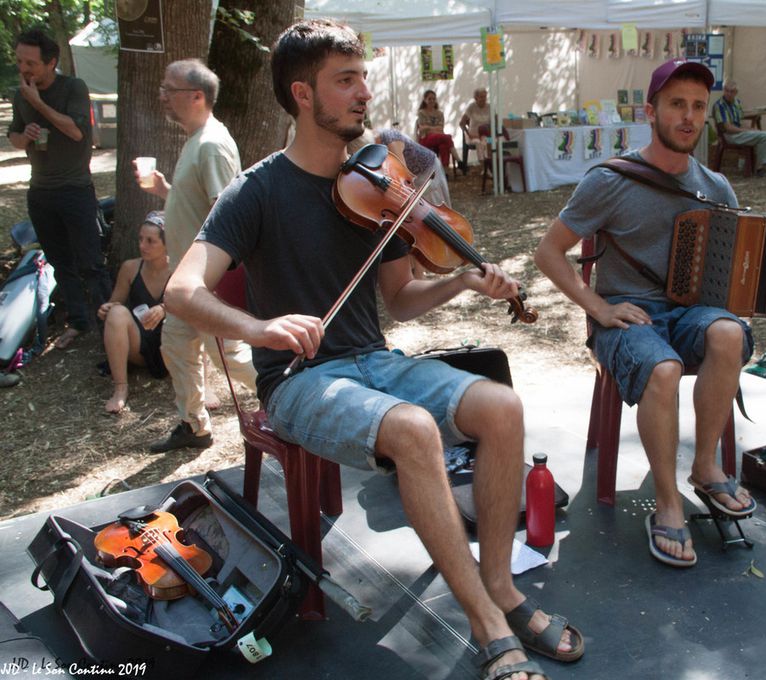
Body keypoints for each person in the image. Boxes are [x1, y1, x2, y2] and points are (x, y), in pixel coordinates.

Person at [164, 20, 583, 680]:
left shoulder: (378, 184)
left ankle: (500, 585)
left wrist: (461, 280)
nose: (364, 92)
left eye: (363, 76)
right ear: (303, 94)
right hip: (301, 380)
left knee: (500, 406)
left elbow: (401, 300)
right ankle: (488, 623)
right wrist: (259, 329)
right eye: (346, 80)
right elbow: (181, 289)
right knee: (414, 430)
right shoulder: (257, 190)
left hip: (375, 361)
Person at [535, 58, 766, 568]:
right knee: (663, 368)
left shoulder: (717, 188)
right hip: (628, 320)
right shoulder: (609, 181)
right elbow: (549, 252)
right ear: (652, 110)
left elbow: (752, 269)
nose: (688, 116)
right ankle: (667, 502)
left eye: (698, 107)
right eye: (677, 104)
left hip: (689, 315)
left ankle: (705, 468)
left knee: (727, 333)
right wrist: (597, 306)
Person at [137, 59, 257, 453]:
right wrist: (167, 192)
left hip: (206, 279)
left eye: (169, 89)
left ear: (197, 96)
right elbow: (200, 207)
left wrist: (215, 284)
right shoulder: (196, 139)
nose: (162, 96)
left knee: (230, 357)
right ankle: (194, 426)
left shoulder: (211, 145)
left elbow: (226, 214)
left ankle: (299, 392)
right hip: (186, 280)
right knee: (176, 346)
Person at [7, 28, 111, 349]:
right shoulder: (20, 93)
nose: (24, 69)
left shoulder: (73, 88)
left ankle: (109, 326)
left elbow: (78, 132)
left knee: (91, 262)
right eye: (20, 61)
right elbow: (14, 136)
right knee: (59, 261)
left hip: (76, 190)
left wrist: (38, 104)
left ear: (51, 63)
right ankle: (79, 322)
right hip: (40, 192)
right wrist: (25, 135)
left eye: (31, 63)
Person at [97, 211, 170, 414]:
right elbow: (115, 304)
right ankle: (120, 388)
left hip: (172, 345)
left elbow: (193, 307)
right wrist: (106, 309)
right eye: (140, 239)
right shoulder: (130, 267)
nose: (142, 246)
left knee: (192, 317)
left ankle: (204, 385)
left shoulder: (180, 268)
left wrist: (164, 308)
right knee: (117, 313)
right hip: (140, 342)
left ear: (167, 243)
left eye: (150, 241)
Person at [711, 80, 766, 176]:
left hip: (738, 133)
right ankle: (760, 169)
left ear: (736, 93)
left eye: (732, 91)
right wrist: (746, 130)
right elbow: (728, 128)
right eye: (726, 90)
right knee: (764, 136)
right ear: (723, 90)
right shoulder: (719, 105)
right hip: (729, 135)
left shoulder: (736, 103)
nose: (729, 93)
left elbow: (740, 123)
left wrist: (751, 129)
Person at [373, 126, 452, 207]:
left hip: (428, 168)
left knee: (435, 205)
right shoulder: (377, 147)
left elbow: (402, 172)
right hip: (414, 174)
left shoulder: (388, 136)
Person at [416, 90, 464, 173]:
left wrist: (429, 128)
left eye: (433, 99)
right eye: (429, 99)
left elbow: (441, 128)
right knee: (447, 137)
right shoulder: (421, 113)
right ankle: (459, 161)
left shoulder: (439, 113)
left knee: (444, 145)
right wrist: (434, 129)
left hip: (439, 137)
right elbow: (422, 128)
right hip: (425, 139)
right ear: (425, 100)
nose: (432, 101)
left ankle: (445, 172)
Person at [460, 87, 492, 163]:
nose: (483, 99)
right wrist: (468, 134)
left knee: (487, 142)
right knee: (478, 142)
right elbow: (461, 123)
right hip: (472, 136)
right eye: (481, 97)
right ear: (476, 98)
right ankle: (483, 165)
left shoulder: (489, 107)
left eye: (485, 96)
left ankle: (488, 165)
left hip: (485, 135)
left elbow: (493, 123)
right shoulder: (472, 107)